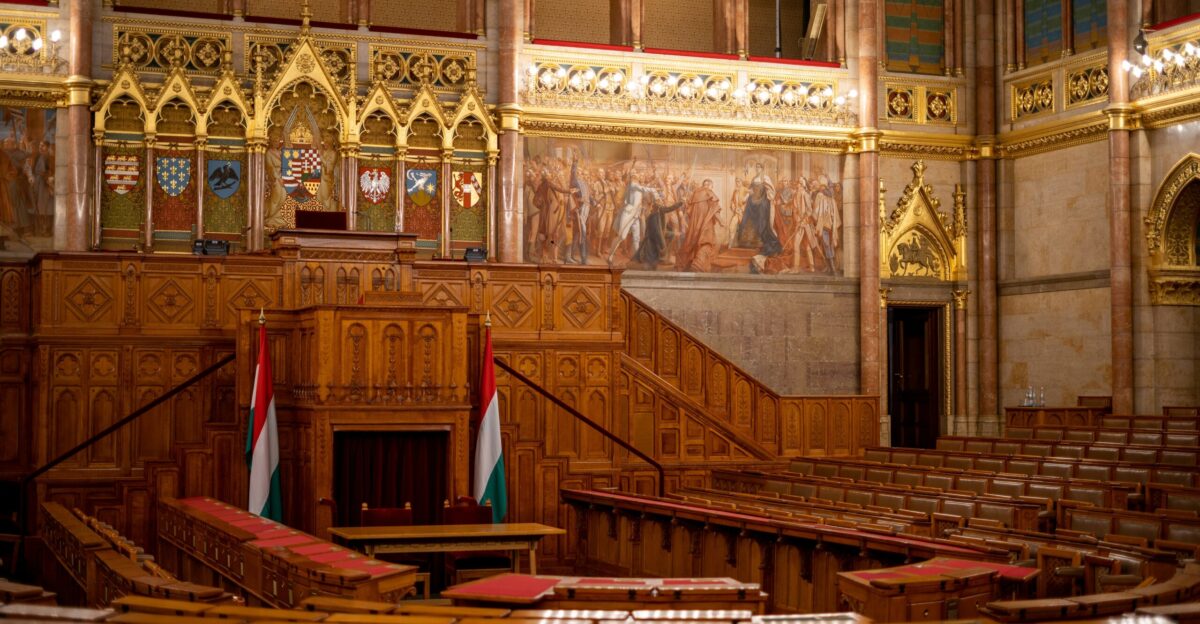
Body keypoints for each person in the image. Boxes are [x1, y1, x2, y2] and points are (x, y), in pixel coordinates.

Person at [606, 159, 658, 265]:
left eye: (637, 177)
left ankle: (637, 257)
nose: (637, 178)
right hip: (628, 213)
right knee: (622, 236)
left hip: (636, 215)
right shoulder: (632, 185)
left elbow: (644, 189)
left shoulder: (638, 185)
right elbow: (642, 188)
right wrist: (652, 190)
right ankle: (610, 256)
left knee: (636, 237)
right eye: (636, 176)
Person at [674, 179, 721, 272]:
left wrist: (685, 201)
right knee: (706, 240)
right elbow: (715, 209)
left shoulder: (695, 193)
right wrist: (721, 221)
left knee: (692, 241)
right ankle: (698, 264)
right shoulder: (709, 192)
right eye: (708, 185)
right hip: (705, 222)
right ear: (710, 186)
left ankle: (687, 263)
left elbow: (689, 210)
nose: (707, 187)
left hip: (695, 224)